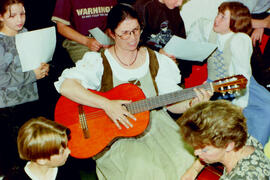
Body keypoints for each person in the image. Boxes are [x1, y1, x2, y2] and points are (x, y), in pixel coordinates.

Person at [54, 4, 212, 180]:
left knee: (187, 162)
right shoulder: (99, 61)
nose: (132, 38)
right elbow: (67, 87)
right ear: (112, 34)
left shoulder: (155, 59)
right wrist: (106, 104)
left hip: (159, 128)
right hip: (119, 136)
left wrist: (193, 103)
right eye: (125, 33)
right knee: (143, 170)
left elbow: (172, 103)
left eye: (136, 30)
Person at [187, 1, 270, 146]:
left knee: (265, 107)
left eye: (223, 17)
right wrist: (192, 48)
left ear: (234, 22)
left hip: (241, 86)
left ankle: (252, 149)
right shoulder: (210, 29)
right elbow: (198, 25)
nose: (216, 19)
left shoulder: (240, 41)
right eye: (218, 14)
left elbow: (243, 75)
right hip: (215, 85)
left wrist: (239, 106)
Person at [0, 0, 50, 176]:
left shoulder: (27, 34)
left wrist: (43, 68)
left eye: (22, 14)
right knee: (15, 156)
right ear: (1, 17)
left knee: (32, 150)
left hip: (30, 99)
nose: (19, 20)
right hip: (8, 106)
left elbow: (35, 61)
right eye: (12, 15)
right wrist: (31, 75)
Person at [177, 100, 270, 180]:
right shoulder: (240, 137)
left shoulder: (244, 176)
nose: (196, 153)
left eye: (203, 149)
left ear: (228, 146)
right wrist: (194, 169)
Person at [133, 0, 194, 86]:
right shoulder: (143, 7)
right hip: (149, 75)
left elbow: (180, 40)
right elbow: (133, 42)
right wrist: (158, 52)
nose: (180, 3)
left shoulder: (173, 9)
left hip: (171, 74)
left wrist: (178, 58)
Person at [4, 116, 81, 179]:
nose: (69, 151)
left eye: (67, 146)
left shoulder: (69, 169)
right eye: (62, 151)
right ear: (41, 159)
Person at [51, 0, 117, 63]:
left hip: (106, 38)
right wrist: (87, 41)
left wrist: (109, 35)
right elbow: (61, 27)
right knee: (94, 65)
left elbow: (115, 22)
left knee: (120, 61)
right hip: (79, 41)